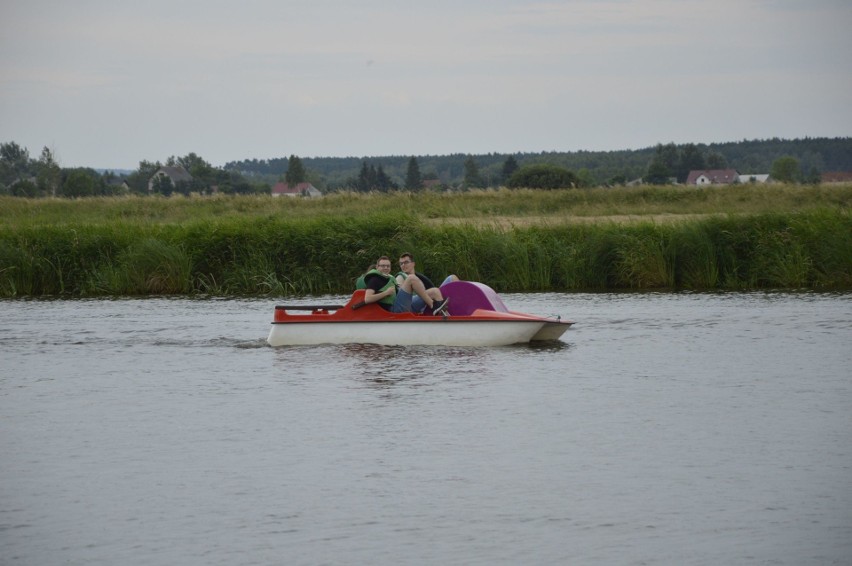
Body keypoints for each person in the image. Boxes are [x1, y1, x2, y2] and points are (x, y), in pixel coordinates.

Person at [362, 256, 449, 315]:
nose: (386, 268)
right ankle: (432, 305)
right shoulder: (374, 279)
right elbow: (367, 298)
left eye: (388, 266)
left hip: (405, 305)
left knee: (434, 291)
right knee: (411, 278)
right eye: (383, 266)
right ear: (377, 267)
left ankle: (446, 316)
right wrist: (386, 293)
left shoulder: (389, 278)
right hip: (394, 310)